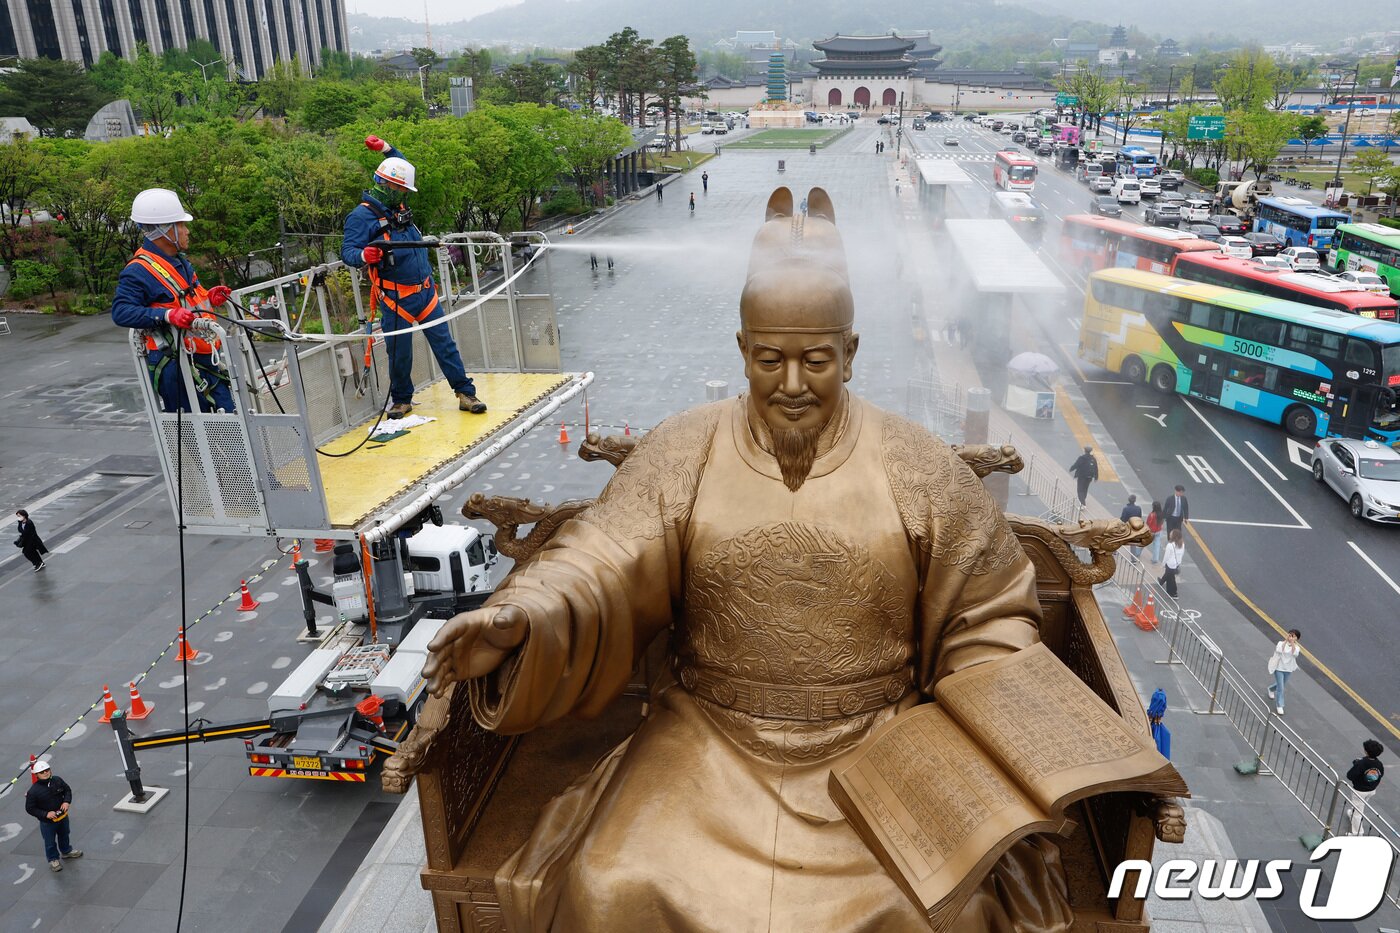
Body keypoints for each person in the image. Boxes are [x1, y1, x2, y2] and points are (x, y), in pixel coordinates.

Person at [424, 187, 1078, 933]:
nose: (792, 384)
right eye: (770, 359)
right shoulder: (685, 447)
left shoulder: (918, 466)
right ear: (742, 351)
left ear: (852, 353)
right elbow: (601, 556)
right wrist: (524, 615)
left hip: (874, 747)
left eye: (816, 360)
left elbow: (989, 608)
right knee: (611, 882)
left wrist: (978, 705)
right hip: (707, 740)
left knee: (928, 908)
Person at [343, 135, 486, 419]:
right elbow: (348, 250)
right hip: (396, 298)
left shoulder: (395, 204)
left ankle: (465, 393)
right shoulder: (361, 217)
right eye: (401, 189)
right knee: (400, 353)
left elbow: (400, 165)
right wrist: (364, 256)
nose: (405, 194)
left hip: (425, 292)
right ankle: (402, 400)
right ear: (386, 186)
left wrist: (385, 148)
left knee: (445, 344)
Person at [111, 188, 236, 413]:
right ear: (164, 230)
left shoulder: (178, 262)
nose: (187, 231)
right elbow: (121, 311)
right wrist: (166, 316)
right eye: (181, 225)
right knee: (201, 435)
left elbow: (187, 300)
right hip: (175, 364)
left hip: (203, 359)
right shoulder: (139, 270)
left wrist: (210, 297)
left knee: (230, 424)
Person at [25, 760, 81, 871]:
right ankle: (53, 859)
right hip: (48, 823)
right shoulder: (33, 791)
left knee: (65, 834)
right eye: (42, 772)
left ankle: (66, 851)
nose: (45, 773)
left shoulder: (57, 780)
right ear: (36, 775)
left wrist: (66, 801)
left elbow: (67, 790)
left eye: (47, 770)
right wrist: (46, 814)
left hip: (62, 816)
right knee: (50, 842)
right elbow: (30, 808)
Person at [1345, 740, 1384, 835]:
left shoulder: (1361, 763)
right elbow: (1380, 774)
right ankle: (1353, 813)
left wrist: (1356, 764)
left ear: (1366, 751)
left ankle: (1357, 833)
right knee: (1360, 805)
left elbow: (1350, 775)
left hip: (1359, 791)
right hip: (1371, 790)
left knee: (1357, 813)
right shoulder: (1379, 764)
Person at [1266, 629, 1302, 716]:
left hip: (1288, 669)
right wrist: (1286, 641)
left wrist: (1292, 643)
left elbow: (1295, 654)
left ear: (1297, 638)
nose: (1290, 637)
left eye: (1293, 636)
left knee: (1281, 684)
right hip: (1279, 668)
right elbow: (1279, 651)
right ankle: (1279, 705)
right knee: (1281, 687)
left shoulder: (1297, 647)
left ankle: (1271, 689)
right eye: (1290, 635)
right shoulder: (1280, 643)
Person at [1159, 528, 1185, 598]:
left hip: (1170, 564)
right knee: (1170, 577)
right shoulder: (1182, 544)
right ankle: (1162, 583)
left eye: (1171, 533)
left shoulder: (1170, 545)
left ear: (1173, 536)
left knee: (1171, 579)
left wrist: (1163, 564)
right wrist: (1179, 563)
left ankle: (1173, 593)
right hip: (1176, 564)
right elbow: (1182, 554)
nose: (1170, 534)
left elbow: (1166, 557)